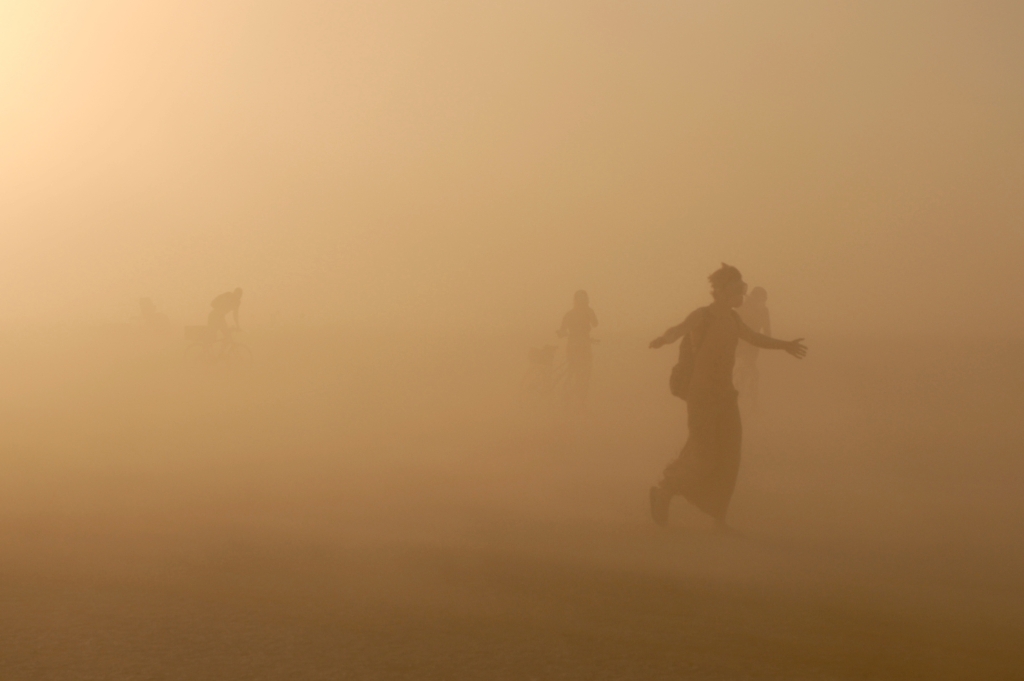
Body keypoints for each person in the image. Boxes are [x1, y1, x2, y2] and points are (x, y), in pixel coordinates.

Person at [647, 265, 805, 531]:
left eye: (742, 288)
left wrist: (785, 345)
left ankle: (718, 518)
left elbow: (755, 338)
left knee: (730, 454)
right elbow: (680, 328)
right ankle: (664, 491)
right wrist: (664, 339)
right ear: (720, 291)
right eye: (736, 289)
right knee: (703, 452)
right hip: (702, 395)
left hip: (725, 394)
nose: (740, 294)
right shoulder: (703, 315)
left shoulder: (733, 319)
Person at [557, 290, 598, 402]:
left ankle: (571, 395)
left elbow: (562, 331)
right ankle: (579, 398)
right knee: (584, 373)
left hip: (573, 345)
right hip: (584, 346)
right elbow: (595, 323)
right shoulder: (588, 311)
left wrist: (563, 333)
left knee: (574, 371)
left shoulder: (570, 314)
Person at [734, 286, 770, 405]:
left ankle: (750, 402)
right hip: (739, 348)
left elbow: (767, 332)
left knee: (749, 373)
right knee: (745, 373)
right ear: (754, 299)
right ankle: (745, 402)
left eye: (764, 300)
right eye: (762, 300)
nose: (763, 303)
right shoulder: (742, 309)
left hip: (753, 349)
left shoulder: (764, 311)